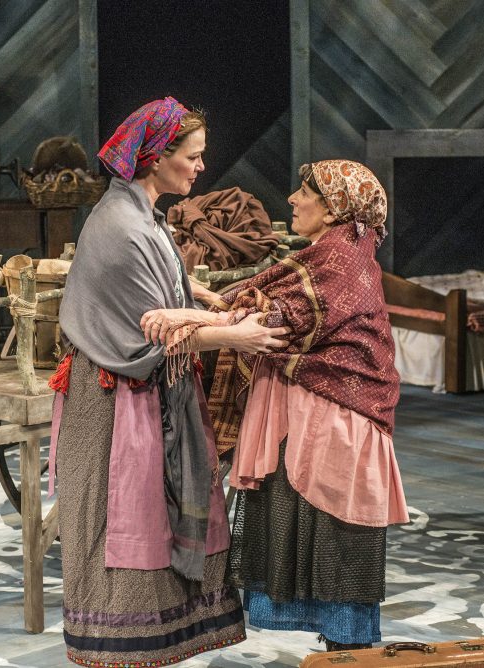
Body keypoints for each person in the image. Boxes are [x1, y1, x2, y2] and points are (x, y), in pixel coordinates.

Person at [48, 97, 288, 667]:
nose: (201, 167)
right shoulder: (124, 227)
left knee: (152, 515)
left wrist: (201, 300)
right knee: (124, 519)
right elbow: (154, 335)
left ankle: (162, 643)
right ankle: (121, 646)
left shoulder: (142, 213)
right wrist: (237, 337)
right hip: (115, 398)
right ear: (156, 157)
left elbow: (168, 304)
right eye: (193, 156)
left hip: (143, 390)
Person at [141, 159, 410, 652]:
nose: (291, 200)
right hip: (312, 417)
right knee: (307, 529)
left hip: (335, 420)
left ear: (333, 210)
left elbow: (277, 320)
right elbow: (262, 300)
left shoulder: (339, 262)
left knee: (337, 540)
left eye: (303, 192)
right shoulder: (332, 253)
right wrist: (201, 301)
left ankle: (351, 654)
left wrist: (184, 316)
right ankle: (341, 653)